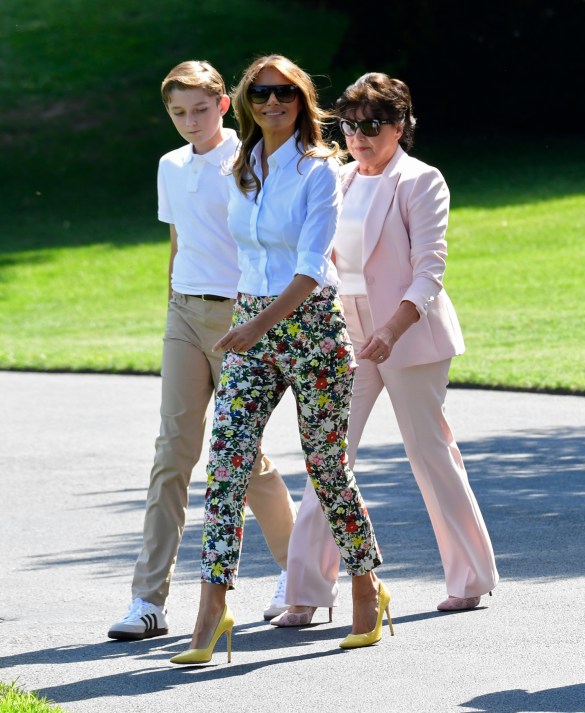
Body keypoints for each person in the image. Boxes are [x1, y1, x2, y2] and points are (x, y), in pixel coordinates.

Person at [170, 55, 390, 665]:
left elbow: (312, 266)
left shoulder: (321, 170)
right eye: (261, 93)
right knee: (226, 466)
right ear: (245, 101)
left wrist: (257, 325)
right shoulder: (240, 168)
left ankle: (367, 587)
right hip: (251, 325)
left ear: (301, 100)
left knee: (325, 468)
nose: (272, 103)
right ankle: (212, 609)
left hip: (312, 327)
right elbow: (232, 250)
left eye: (284, 93)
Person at [270, 72, 498, 628]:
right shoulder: (336, 178)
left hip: (409, 333)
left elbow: (429, 271)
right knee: (329, 457)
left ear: (399, 125)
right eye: (348, 125)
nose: (358, 136)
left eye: (371, 125)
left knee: (428, 450)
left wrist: (392, 329)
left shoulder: (421, 181)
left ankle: (470, 579)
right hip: (343, 332)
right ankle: (304, 590)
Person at [108, 60, 296, 642]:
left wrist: (259, 318)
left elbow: (272, 240)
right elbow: (178, 241)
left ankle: (302, 576)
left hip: (241, 315)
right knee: (172, 454)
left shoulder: (248, 158)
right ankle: (148, 600)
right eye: (177, 112)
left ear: (222, 104)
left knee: (243, 456)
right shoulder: (169, 165)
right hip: (184, 315)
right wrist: (171, 303)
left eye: (199, 109)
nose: (189, 121)